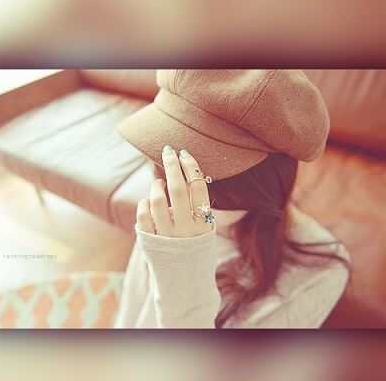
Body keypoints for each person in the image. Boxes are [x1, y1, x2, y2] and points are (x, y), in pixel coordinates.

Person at [114, 70, 350, 328]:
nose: (176, 191)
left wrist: (185, 293)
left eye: (206, 179)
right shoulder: (169, 198)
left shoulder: (318, 274)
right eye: (163, 160)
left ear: (265, 181)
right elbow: (133, 306)